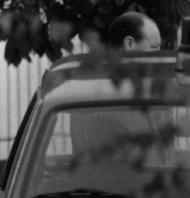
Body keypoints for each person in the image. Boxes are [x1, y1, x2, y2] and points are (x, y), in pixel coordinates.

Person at [71, 12, 167, 164]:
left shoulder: (87, 89)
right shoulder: (119, 94)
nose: (159, 55)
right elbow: (150, 161)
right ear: (129, 44)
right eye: (154, 47)